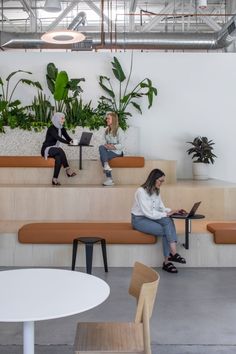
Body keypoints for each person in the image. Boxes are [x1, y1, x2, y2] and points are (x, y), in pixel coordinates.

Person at [131, 168, 186, 274]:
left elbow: (161, 208)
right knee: (167, 228)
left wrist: (172, 211)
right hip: (139, 219)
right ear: (153, 179)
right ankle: (170, 258)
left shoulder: (156, 191)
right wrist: (166, 214)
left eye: (163, 181)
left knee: (168, 221)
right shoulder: (140, 192)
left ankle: (172, 256)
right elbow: (148, 213)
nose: (161, 183)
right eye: (160, 181)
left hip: (150, 217)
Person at [41, 112, 77, 186]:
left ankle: (54, 179)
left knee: (58, 158)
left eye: (64, 118)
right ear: (57, 119)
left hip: (55, 150)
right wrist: (68, 142)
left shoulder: (62, 128)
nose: (64, 120)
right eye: (62, 118)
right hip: (47, 149)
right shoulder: (51, 128)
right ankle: (68, 170)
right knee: (60, 150)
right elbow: (58, 138)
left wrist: (74, 142)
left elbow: (68, 138)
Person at [99, 112, 124, 186]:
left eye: (108, 118)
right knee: (101, 147)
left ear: (113, 120)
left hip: (118, 152)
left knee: (102, 157)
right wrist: (106, 145)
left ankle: (109, 179)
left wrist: (112, 146)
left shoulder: (119, 130)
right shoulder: (107, 131)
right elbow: (104, 142)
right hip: (110, 151)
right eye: (107, 118)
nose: (106, 120)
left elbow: (122, 145)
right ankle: (106, 166)